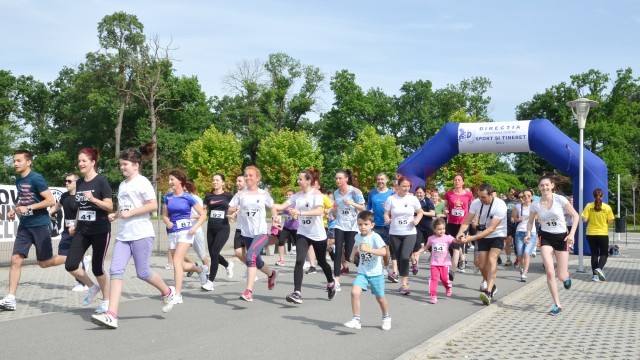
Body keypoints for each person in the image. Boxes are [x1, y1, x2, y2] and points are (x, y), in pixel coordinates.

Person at [91, 142, 176, 329]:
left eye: (125, 164)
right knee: (115, 271)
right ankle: (112, 314)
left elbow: (153, 205)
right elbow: (125, 206)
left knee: (143, 273)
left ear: (136, 165)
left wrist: (132, 212)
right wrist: (117, 213)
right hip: (123, 235)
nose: (122, 167)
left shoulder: (143, 182)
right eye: (121, 164)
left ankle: (168, 292)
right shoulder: (122, 185)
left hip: (141, 233)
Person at [1, 150, 60, 311]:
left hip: (40, 225)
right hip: (24, 226)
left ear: (29, 162)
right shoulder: (18, 180)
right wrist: (15, 209)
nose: (15, 163)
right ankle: (11, 298)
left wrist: (30, 207)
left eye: (19, 160)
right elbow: (24, 197)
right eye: (14, 160)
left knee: (44, 262)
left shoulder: (36, 178)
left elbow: (50, 200)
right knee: (15, 260)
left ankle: (76, 259)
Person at [273, 170, 336, 304]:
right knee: (299, 261)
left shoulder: (316, 194)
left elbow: (319, 211)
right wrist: (267, 202)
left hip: (318, 234)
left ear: (308, 181)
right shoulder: (297, 196)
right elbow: (281, 206)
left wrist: (300, 212)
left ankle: (331, 282)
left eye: (300, 179)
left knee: (322, 261)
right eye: (298, 179)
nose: (298, 181)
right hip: (303, 233)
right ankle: (297, 292)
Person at [64, 148, 114, 313]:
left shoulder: (101, 181)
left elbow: (109, 206)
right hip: (82, 230)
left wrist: (93, 199)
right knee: (70, 264)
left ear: (93, 162)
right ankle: (92, 287)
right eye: (79, 161)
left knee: (97, 268)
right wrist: (75, 225)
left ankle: (107, 301)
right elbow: (80, 208)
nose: (80, 164)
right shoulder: (79, 183)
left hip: (100, 230)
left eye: (84, 161)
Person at [525, 175, 579, 316]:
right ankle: (557, 305)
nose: (545, 188)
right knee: (549, 271)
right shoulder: (535, 204)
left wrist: (572, 234)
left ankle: (566, 277)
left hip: (561, 238)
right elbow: (530, 221)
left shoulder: (560, 199)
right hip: (546, 237)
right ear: (539, 187)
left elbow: (576, 216)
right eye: (542, 185)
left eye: (547, 185)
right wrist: (528, 233)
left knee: (561, 276)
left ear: (552, 185)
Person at [228, 166, 279, 302]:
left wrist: (275, 220)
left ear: (257, 178)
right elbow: (230, 208)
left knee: (250, 257)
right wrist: (231, 212)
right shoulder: (240, 194)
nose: (248, 178)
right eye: (246, 175)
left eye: (251, 175)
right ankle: (271, 274)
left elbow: (273, 208)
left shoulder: (263, 194)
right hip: (246, 234)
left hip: (261, 233)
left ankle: (248, 291)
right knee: (258, 261)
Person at [456, 183, 508, 306]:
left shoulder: (500, 205)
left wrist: (471, 238)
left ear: (491, 194)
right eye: (479, 196)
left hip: (497, 234)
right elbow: (467, 221)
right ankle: (492, 285)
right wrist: (460, 233)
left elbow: (491, 229)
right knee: (481, 264)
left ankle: (488, 292)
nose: (481, 199)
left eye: (484, 197)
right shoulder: (476, 203)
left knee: (492, 260)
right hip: (482, 235)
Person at [162, 170, 209, 305]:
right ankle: (200, 269)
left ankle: (177, 294)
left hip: (186, 232)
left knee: (176, 261)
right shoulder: (168, 197)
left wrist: (194, 228)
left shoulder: (188, 197)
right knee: (181, 264)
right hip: (173, 232)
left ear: (180, 181)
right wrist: (167, 221)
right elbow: (164, 215)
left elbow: (203, 215)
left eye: (172, 179)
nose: (170, 182)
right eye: (169, 179)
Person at [343, 211, 391, 331]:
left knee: (380, 298)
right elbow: (356, 245)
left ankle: (386, 317)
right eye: (360, 224)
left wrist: (370, 250)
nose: (362, 227)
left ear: (372, 225)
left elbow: (384, 252)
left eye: (365, 224)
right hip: (363, 272)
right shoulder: (358, 236)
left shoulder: (375, 237)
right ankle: (356, 319)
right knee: (354, 292)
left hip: (376, 273)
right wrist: (352, 255)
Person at [48, 173, 91, 291]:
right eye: (66, 181)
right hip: (67, 231)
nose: (66, 183)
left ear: (76, 183)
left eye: (69, 181)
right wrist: (49, 213)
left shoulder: (81, 196)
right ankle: (84, 263)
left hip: (79, 231)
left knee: (74, 258)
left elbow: (85, 213)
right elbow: (57, 205)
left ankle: (82, 283)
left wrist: (77, 227)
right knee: (63, 256)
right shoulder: (65, 196)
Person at [383, 176, 423, 296]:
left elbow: (420, 212)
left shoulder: (413, 199)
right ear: (398, 187)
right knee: (400, 258)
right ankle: (402, 279)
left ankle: (404, 284)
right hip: (395, 232)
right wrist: (387, 219)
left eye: (408, 186)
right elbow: (386, 213)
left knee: (405, 256)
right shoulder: (391, 199)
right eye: (403, 186)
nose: (406, 188)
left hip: (410, 232)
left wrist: (416, 220)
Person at [332, 169, 366, 291]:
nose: (337, 180)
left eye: (340, 178)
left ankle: (364, 264)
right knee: (337, 252)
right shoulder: (336, 193)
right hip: (340, 225)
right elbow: (338, 208)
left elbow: (363, 207)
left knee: (348, 256)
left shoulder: (355, 191)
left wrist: (351, 202)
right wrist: (330, 212)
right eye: (336, 178)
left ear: (346, 179)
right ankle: (336, 281)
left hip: (352, 226)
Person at [201, 174, 235, 291]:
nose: (214, 182)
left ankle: (210, 282)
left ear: (223, 183)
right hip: (211, 228)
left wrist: (232, 214)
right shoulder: (208, 196)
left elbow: (236, 207)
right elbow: (203, 210)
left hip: (223, 228)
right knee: (213, 254)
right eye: (213, 180)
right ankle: (227, 265)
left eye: (217, 180)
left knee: (215, 253)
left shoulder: (228, 196)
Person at [443, 174, 474, 281]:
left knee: (457, 245)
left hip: (463, 224)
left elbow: (472, 208)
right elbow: (445, 206)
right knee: (454, 245)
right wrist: (445, 210)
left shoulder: (469, 195)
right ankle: (462, 258)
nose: (456, 181)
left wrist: (473, 219)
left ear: (463, 182)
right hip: (451, 223)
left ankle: (453, 271)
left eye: (459, 180)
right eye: (455, 180)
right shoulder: (449, 194)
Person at [416, 218, 453, 304]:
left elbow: (455, 240)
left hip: (444, 263)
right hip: (434, 263)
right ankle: (433, 295)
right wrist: (418, 252)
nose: (442, 231)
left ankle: (448, 287)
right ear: (434, 229)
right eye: (439, 229)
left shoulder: (447, 238)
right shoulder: (431, 239)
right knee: (434, 279)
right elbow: (426, 247)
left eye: (443, 229)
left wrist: (461, 239)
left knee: (444, 279)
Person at [366, 173, 395, 280]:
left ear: (386, 180)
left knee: (385, 248)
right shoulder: (372, 193)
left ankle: (386, 268)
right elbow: (369, 205)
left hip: (387, 225)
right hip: (374, 224)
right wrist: (368, 211)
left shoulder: (391, 194)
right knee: (373, 247)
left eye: (382, 179)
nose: (380, 181)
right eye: (378, 179)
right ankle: (374, 267)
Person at [582, 188, 615, 282]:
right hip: (602, 233)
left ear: (593, 196)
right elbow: (610, 221)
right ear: (602, 196)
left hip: (590, 233)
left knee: (594, 253)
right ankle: (599, 269)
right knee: (604, 253)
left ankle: (595, 276)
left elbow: (584, 219)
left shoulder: (589, 205)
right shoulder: (607, 207)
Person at [184, 179, 211, 278]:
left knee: (202, 254)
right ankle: (193, 265)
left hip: (196, 231)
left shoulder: (196, 199)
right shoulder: (181, 199)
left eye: (184, 187)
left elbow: (203, 215)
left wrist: (192, 216)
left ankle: (208, 273)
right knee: (181, 254)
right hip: (185, 231)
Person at [512, 189, 536, 281]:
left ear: (532, 197)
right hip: (519, 232)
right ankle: (522, 267)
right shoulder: (518, 206)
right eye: (524, 196)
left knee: (527, 253)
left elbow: (539, 218)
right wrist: (517, 219)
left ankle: (524, 273)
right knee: (519, 254)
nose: (526, 197)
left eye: (528, 196)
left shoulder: (535, 207)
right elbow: (513, 217)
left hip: (532, 232)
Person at [412, 186, 435, 275]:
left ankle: (435, 264)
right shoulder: (412, 200)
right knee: (416, 245)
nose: (419, 194)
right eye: (417, 192)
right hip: (417, 226)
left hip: (427, 226)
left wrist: (421, 212)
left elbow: (433, 213)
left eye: (421, 192)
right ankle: (415, 265)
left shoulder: (427, 201)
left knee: (430, 246)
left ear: (424, 193)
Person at [275, 190, 298, 268]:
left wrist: (290, 210)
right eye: (287, 195)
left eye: (290, 195)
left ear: (294, 196)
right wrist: (275, 214)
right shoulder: (285, 205)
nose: (288, 196)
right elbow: (281, 211)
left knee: (299, 244)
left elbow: (295, 217)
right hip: (287, 227)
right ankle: (281, 260)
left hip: (296, 228)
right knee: (281, 241)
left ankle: (302, 260)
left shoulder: (296, 205)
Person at [503, 187, 519, 267]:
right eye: (511, 192)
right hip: (507, 224)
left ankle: (517, 258)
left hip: (516, 225)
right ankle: (508, 259)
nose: (512, 193)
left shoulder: (519, 202)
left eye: (513, 192)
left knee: (516, 243)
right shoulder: (505, 202)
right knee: (508, 242)